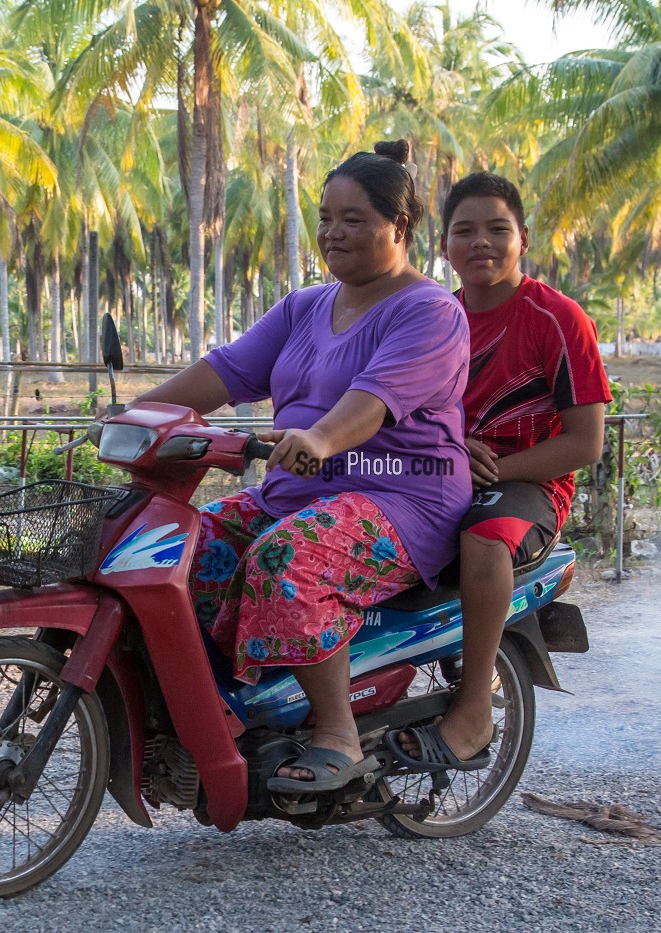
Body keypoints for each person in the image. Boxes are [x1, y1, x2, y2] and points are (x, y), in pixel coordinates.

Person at [131, 141, 472, 793]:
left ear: (397, 228)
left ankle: (336, 731)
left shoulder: (429, 312)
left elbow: (372, 402)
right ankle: (230, 711)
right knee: (180, 548)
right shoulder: (304, 307)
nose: (332, 233)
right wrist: (128, 415)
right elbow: (223, 373)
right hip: (296, 491)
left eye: (352, 219)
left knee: (288, 558)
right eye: (324, 217)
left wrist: (319, 437)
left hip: (400, 499)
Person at [389, 172, 611, 771]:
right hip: (436, 473)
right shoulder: (432, 318)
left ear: (524, 239)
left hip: (529, 481)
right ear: (443, 246)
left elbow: (585, 442)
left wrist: (495, 467)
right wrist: (455, 445)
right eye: (464, 230)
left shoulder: (558, 319)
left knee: (484, 541)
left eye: (497, 229)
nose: (480, 242)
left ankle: (472, 712)